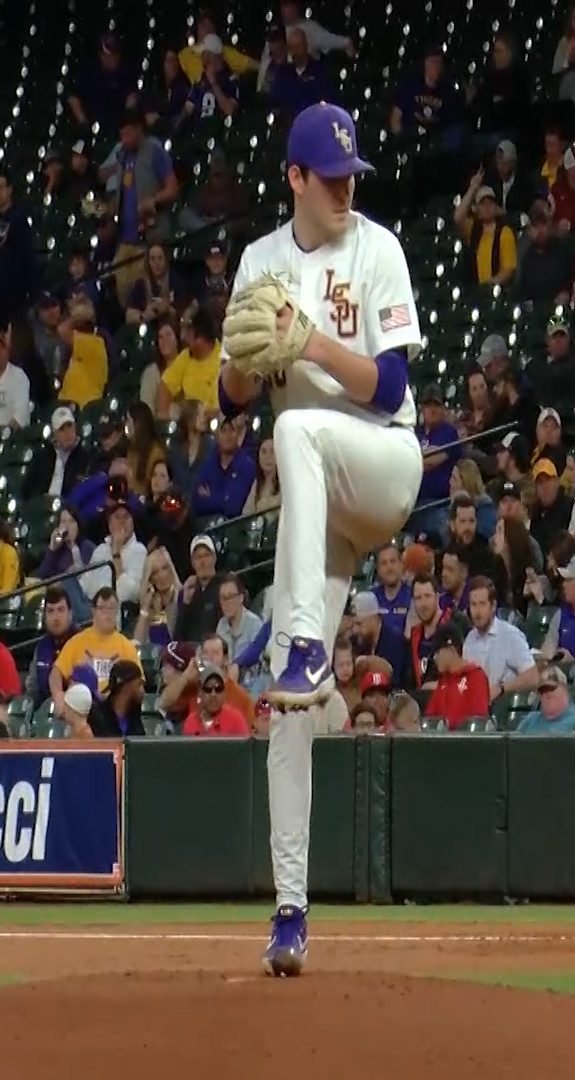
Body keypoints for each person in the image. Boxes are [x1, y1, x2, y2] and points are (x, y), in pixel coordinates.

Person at [216, 104, 426, 979]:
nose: (345, 190)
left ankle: (308, 643)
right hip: (315, 506)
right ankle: (291, 911)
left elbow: (393, 386)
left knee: (297, 427)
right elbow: (230, 399)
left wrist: (309, 344)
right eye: (331, 178)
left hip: (381, 463)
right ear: (295, 179)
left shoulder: (378, 248)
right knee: (285, 714)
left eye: (351, 177)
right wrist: (248, 362)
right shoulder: (260, 262)